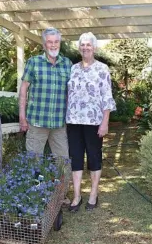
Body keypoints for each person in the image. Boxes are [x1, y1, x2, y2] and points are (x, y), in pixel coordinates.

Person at [18, 27, 73, 204]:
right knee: (33, 160)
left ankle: (61, 196)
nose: (53, 45)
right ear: (44, 44)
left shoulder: (67, 64)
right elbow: (24, 89)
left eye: (56, 41)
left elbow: (70, 93)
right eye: (50, 41)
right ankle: (31, 196)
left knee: (63, 161)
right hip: (37, 121)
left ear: (60, 43)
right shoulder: (33, 62)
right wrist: (22, 116)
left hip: (59, 123)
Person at [66, 32, 116, 212]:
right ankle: (77, 195)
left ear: (94, 47)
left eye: (88, 44)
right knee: (76, 158)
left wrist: (105, 122)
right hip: (73, 121)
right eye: (82, 45)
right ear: (79, 47)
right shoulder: (73, 69)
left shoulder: (102, 69)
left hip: (94, 121)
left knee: (94, 157)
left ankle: (93, 194)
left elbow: (107, 97)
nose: (85, 47)